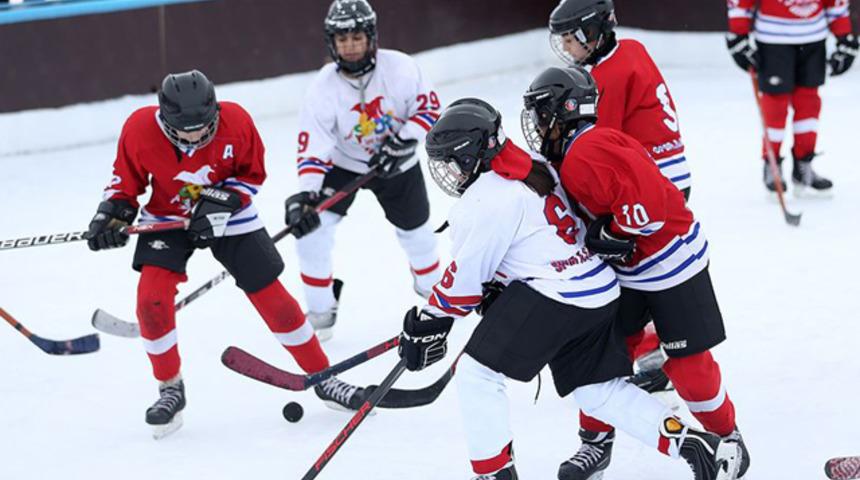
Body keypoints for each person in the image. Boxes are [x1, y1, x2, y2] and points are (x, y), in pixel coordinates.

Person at [396, 98, 743, 480]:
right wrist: (503, 284)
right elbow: (534, 240)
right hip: (598, 291)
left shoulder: (485, 199)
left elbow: (462, 284)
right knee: (596, 391)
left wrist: (429, 322)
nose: (448, 173)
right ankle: (697, 445)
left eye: (450, 162)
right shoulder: (534, 165)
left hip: (555, 298)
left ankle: (494, 474)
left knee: (477, 375)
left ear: (468, 156)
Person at [84, 70, 366, 439]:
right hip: (168, 217)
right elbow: (125, 181)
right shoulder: (139, 128)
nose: (195, 137)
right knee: (151, 301)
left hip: (229, 215)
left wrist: (220, 201)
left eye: (203, 127)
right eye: (185, 131)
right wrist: (111, 215)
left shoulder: (236, 120)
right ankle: (170, 389)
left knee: (273, 297)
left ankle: (325, 377)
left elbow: (253, 174)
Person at [511, 65, 750, 480]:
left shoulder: (590, 148)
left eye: (541, 113)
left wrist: (616, 232)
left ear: (564, 110)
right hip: (628, 268)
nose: (536, 123)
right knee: (599, 358)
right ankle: (596, 444)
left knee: (689, 367)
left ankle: (728, 439)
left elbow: (651, 206)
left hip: (671, 263)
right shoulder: (570, 151)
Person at [548, 0, 692, 394]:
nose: (566, 47)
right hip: (668, 176)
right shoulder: (631, 50)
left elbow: (593, 141)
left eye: (571, 38)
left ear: (593, 32)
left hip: (648, 189)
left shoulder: (606, 77)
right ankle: (656, 350)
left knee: (631, 275)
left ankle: (651, 354)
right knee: (648, 273)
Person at [284, 0, 442, 341]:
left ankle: (434, 292)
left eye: (357, 37)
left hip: (399, 164)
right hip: (344, 165)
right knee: (311, 233)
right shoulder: (322, 88)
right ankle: (321, 311)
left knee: (418, 235)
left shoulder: (400, 67)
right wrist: (306, 195)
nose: (351, 46)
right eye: (342, 39)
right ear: (331, 43)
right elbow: (313, 147)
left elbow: (429, 110)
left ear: (371, 37)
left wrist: (404, 141)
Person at [726, 0, 856, 192]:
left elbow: (835, 3)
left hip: (814, 39)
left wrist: (844, 36)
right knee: (775, 105)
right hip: (773, 40)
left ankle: (803, 163)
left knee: (808, 103)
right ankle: (772, 163)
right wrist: (738, 33)